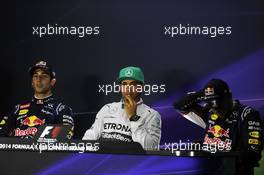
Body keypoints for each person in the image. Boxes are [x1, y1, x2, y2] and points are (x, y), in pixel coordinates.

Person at [174, 78, 263, 175]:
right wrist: (206, 93)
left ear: (228, 98)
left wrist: (225, 155)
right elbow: (179, 106)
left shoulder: (247, 114)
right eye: (212, 106)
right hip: (209, 169)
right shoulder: (209, 113)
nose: (216, 110)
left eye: (219, 105)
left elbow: (253, 153)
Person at [82, 66, 161, 150]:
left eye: (133, 84)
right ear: (120, 87)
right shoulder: (107, 108)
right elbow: (88, 139)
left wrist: (133, 118)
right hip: (103, 160)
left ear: (141, 87)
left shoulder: (152, 115)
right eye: (124, 84)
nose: (128, 89)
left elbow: (151, 148)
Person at [0, 61, 74, 138]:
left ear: (52, 82)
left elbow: (66, 137)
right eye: (35, 76)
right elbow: (2, 133)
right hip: (16, 150)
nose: (39, 79)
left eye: (44, 76)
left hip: (43, 150)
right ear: (32, 82)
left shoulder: (61, 109)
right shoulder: (18, 108)